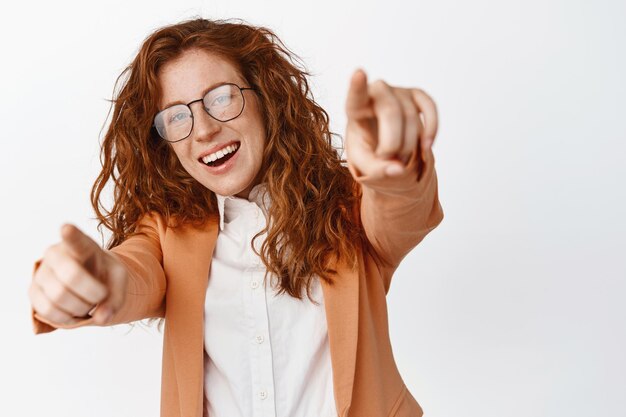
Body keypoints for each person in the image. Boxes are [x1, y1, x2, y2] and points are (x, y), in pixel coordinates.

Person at [28, 17, 444, 417]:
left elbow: (401, 209)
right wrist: (99, 280)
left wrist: (392, 162)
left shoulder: (347, 206)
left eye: (221, 97)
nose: (203, 129)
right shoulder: (166, 234)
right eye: (176, 115)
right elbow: (130, 274)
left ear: (266, 97)